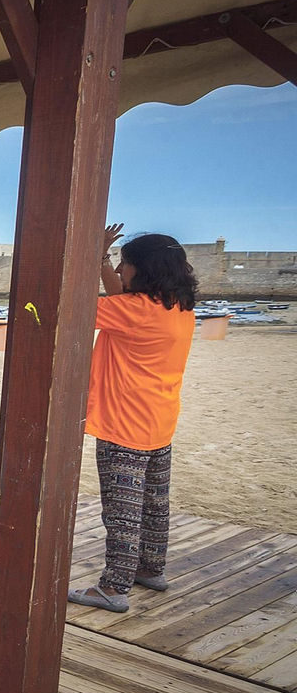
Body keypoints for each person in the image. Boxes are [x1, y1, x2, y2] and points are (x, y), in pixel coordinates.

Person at [69, 226, 197, 613]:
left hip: (124, 425)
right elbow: (121, 295)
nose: (121, 271)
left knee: (121, 510)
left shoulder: (132, 312)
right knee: (155, 503)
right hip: (159, 422)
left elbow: (73, 307)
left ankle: (114, 587)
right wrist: (104, 259)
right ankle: (150, 569)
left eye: (126, 264)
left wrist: (81, 260)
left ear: (144, 269)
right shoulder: (178, 305)